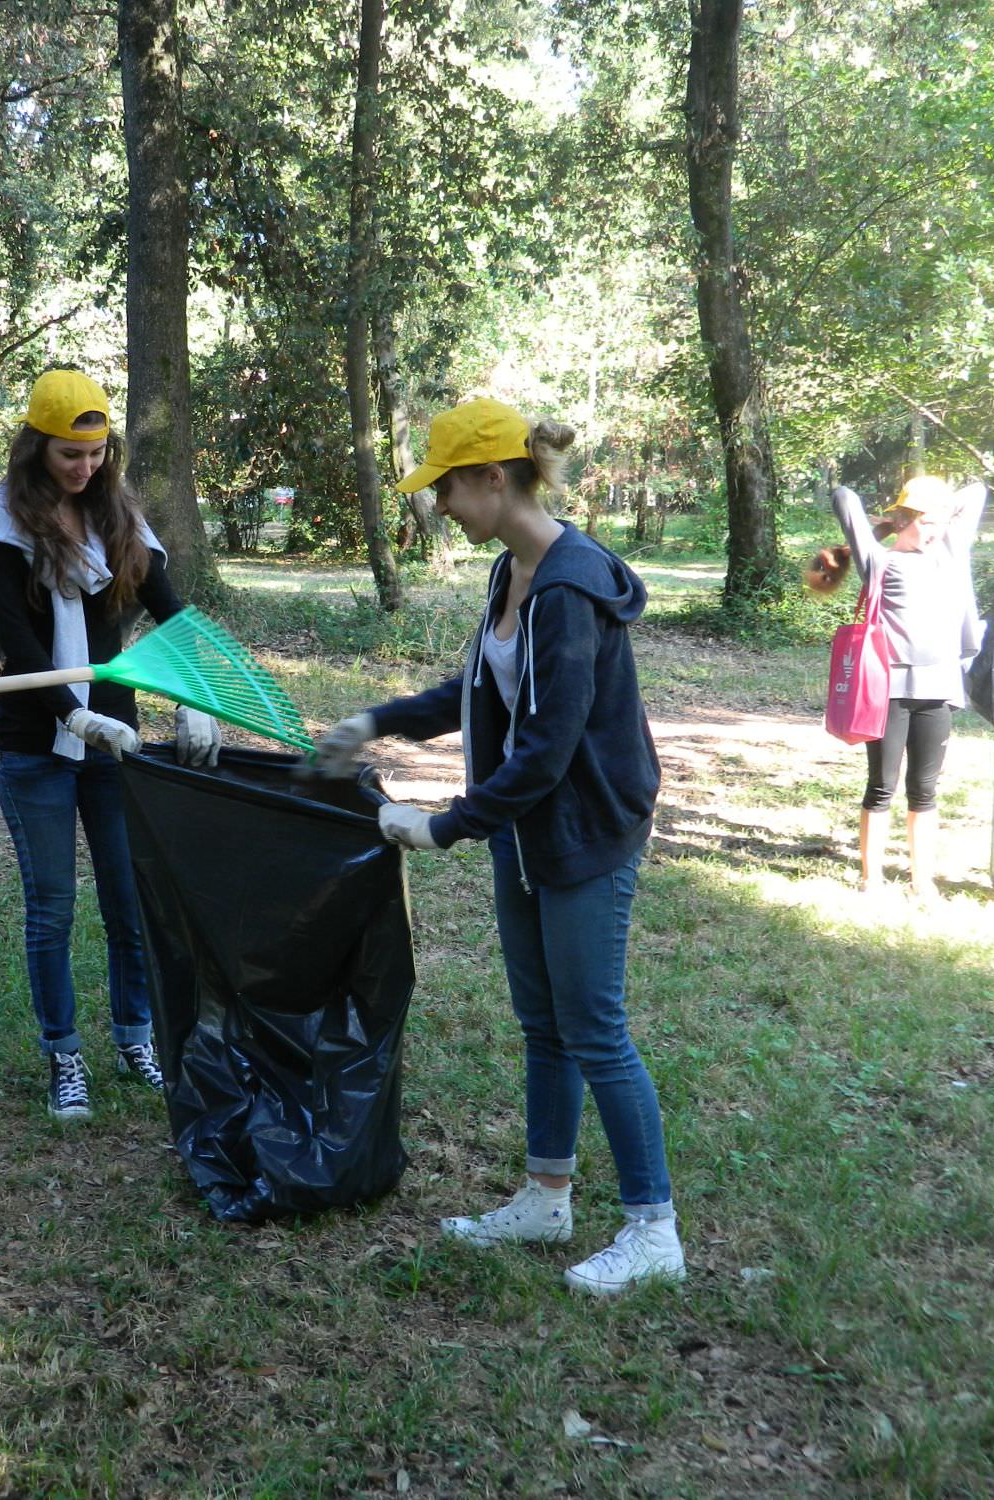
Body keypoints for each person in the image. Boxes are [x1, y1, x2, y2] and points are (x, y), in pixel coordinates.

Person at [313, 398, 679, 1297]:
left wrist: (443, 824)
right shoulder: (513, 573)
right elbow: (477, 691)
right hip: (526, 829)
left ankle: (654, 1230)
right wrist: (377, 721)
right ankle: (547, 1196)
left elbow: (550, 749)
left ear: (490, 479)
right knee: (542, 1025)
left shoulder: (568, 584)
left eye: (444, 488)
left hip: (586, 830)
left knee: (595, 1029)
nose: (438, 506)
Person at [0, 369, 220, 1121]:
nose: (84, 468)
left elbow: (172, 615)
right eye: (69, 454)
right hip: (34, 743)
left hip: (118, 745)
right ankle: (64, 1056)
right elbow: (18, 643)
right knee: (52, 909)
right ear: (36, 446)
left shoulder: (120, 521)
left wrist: (194, 698)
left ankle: (136, 1037)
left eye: (96, 452)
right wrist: (71, 717)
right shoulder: (2, 527)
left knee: (127, 900)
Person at [806, 475, 986, 899]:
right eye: (925, 523)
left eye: (940, 524)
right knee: (882, 785)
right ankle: (872, 879)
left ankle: (921, 881)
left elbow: (975, 493)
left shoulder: (951, 553)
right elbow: (844, 497)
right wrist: (886, 523)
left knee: (925, 790)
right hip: (887, 691)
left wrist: (937, 507)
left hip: (937, 690)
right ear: (906, 518)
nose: (935, 531)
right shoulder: (878, 559)